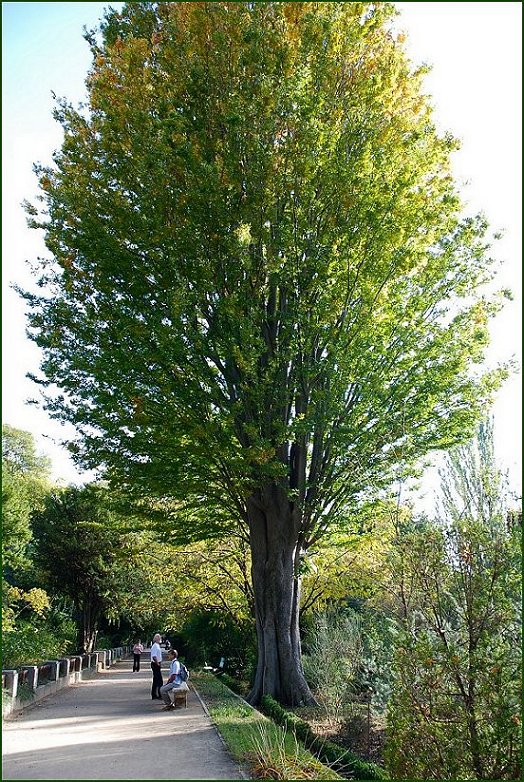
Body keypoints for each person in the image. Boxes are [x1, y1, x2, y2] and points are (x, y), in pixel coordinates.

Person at [150, 633, 163, 700]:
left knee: (155, 680)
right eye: (159, 638)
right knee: (159, 680)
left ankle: (154, 695)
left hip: (156, 663)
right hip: (155, 664)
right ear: (157, 639)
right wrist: (158, 663)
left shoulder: (157, 646)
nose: (160, 639)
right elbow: (154, 656)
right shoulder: (155, 646)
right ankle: (160, 695)